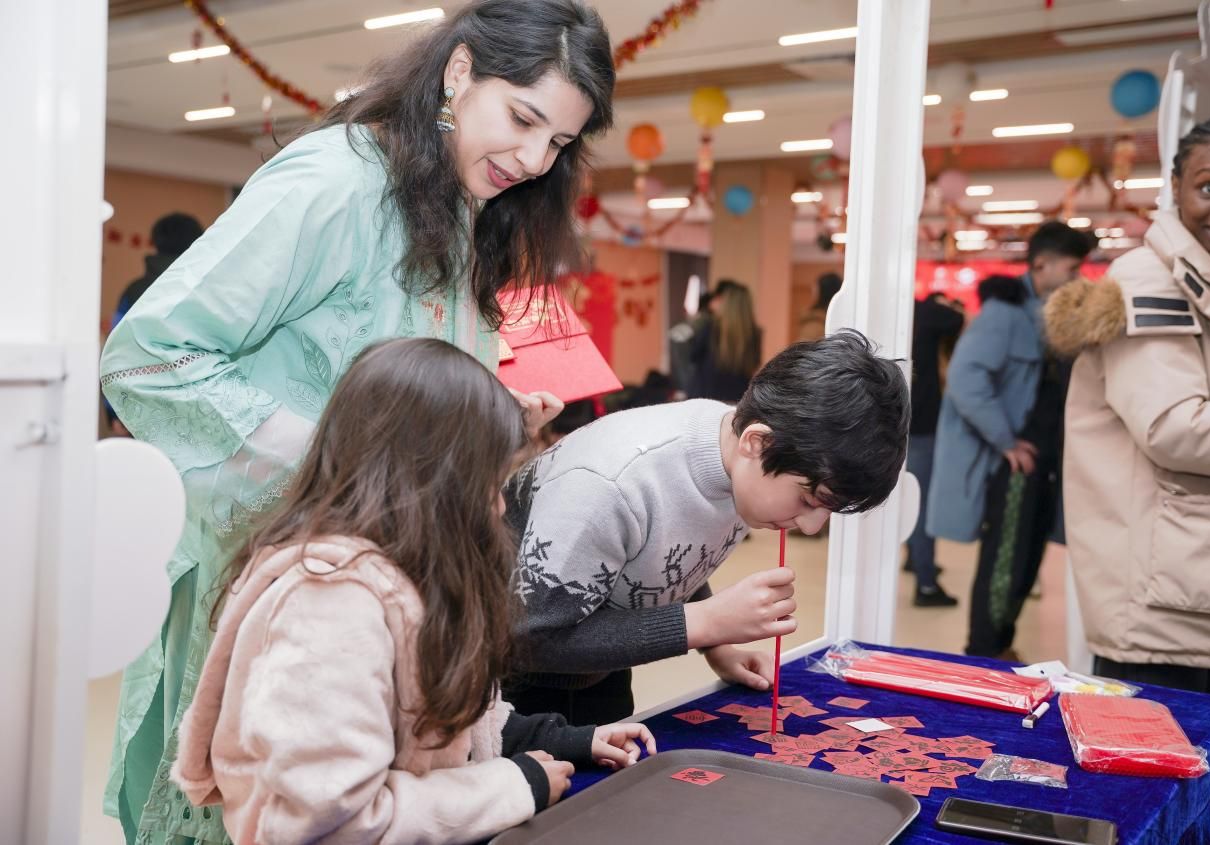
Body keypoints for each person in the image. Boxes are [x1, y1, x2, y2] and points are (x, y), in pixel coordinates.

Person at [97, 2, 615, 842]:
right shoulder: (335, 183)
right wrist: (343, 464)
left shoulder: (463, 209)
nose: (532, 159)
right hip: (287, 589)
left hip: (384, 590)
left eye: (558, 142)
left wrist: (489, 423)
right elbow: (148, 356)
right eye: (522, 119)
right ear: (459, 73)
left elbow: (402, 402)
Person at [172, 338, 654, 844]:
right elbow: (331, 822)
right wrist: (514, 786)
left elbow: (452, 726)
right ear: (432, 480)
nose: (496, 508)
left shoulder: (401, 578)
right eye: (489, 484)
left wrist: (569, 740)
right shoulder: (332, 604)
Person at [503, 330, 910, 724]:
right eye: (807, 500)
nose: (809, 524)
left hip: (597, 668)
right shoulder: (609, 485)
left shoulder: (734, 450)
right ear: (758, 443)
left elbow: (669, 548)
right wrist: (706, 622)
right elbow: (529, 639)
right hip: (509, 689)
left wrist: (717, 645)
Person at [1044, 115, 1210, 831]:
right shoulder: (1150, 278)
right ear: (1175, 187)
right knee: (1166, 806)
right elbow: (1174, 425)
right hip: (1171, 590)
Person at [925, 221, 1092, 660]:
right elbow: (965, 379)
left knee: (1027, 559)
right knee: (1006, 561)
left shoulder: (1051, 315)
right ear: (1042, 264)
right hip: (1015, 468)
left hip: (1046, 463)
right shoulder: (1004, 313)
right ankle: (984, 652)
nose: (1077, 278)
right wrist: (1006, 442)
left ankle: (1000, 646)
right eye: (1072, 269)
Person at [104, 212, 204, 436]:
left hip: (139, 408)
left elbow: (115, 353)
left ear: (155, 242)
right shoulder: (204, 290)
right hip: (196, 413)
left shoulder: (134, 291)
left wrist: (114, 411)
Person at [905, 292, 965, 607]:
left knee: (902, 499)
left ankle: (915, 560)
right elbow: (957, 318)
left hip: (889, 421)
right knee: (921, 502)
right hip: (923, 423)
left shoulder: (881, 311)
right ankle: (926, 582)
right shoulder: (927, 313)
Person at [689, 280, 762, 403]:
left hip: (706, 400)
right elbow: (754, 365)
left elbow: (693, 356)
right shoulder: (754, 333)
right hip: (738, 400)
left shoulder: (710, 329)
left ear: (728, 304)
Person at [796, 272, 843, 342]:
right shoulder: (842, 320)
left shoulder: (814, 322)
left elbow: (803, 346)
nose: (813, 291)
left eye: (815, 288)